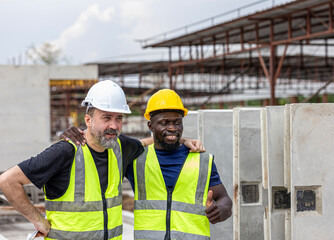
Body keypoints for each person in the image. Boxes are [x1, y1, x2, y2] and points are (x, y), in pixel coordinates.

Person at [0, 80, 202, 240]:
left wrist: (182, 140)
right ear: (88, 120)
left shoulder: (121, 147)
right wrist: (38, 221)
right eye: (106, 118)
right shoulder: (65, 151)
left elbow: (146, 141)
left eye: (119, 118)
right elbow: (8, 181)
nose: (114, 125)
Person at [64, 89, 232, 240]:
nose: (172, 128)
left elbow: (224, 199)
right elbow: (98, 146)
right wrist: (77, 134)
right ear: (150, 125)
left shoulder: (201, 159)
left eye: (177, 122)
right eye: (164, 123)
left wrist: (222, 210)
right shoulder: (136, 159)